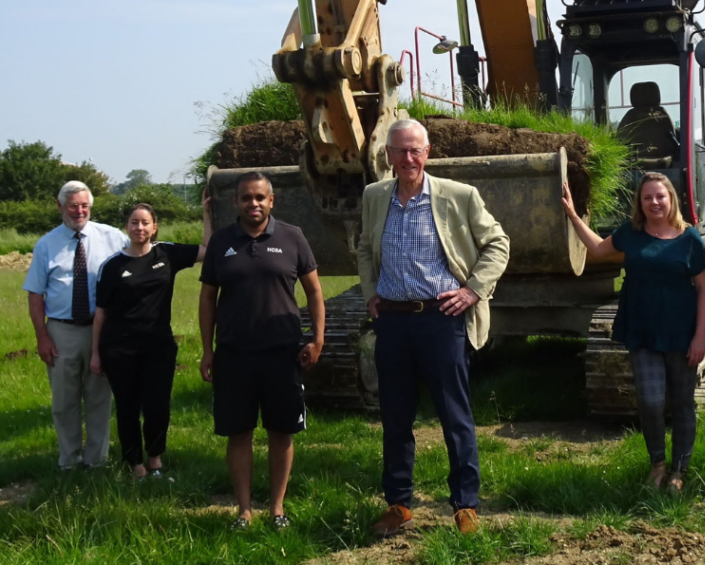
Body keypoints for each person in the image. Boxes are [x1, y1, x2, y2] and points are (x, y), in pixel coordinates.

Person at [357, 119, 510, 536]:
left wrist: (473, 290)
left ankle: (466, 506)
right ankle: (398, 504)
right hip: (392, 321)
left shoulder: (459, 196)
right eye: (399, 150)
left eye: (415, 150)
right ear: (386, 155)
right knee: (395, 416)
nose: (407, 158)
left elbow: (498, 243)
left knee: (454, 414)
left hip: (441, 320)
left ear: (428, 153)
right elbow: (364, 246)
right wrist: (371, 291)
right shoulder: (374, 197)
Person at [561, 172, 705, 492]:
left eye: (660, 196)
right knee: (651, 401)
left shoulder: (689, 238)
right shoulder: (632, 233)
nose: (655, 202)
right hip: (642, 331)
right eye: (647, 197)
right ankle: (657, 465)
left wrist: (700, 335)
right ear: (640, 203)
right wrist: (573, 215)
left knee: (683, 403)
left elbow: (703, 288)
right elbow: (600, 250)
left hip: (682, 334)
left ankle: (679, 472)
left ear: (671, 199)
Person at [198, 171, 325, 531]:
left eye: (259, 198)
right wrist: (208, 350)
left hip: (282, 353)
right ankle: (243, 509)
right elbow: (208, 298)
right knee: (238, 433)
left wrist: (317, 339)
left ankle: (277, 507)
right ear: (236, 203)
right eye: (245, 198)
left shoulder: (292, 237)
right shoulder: (222, 242)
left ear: (271, 201)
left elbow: (314, 292)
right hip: (234, 354)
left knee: (280, 432)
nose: (252, 204)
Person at [90, 194, 212, 479]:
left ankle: (155, 459)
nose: (139, 228)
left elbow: (207, 248)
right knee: (128, 408)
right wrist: (95, 354)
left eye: (145, 223)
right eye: (134, 223)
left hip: (158, 346)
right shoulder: (112, 266)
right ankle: (135, 465)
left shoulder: (166, 254)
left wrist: (206, 212)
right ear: (126, 227)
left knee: (157, 406)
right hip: (119, 348)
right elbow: (101, 315)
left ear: (155, 227)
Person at [23, 180, 129, 470]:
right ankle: (68, 461)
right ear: (60, 207)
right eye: (73, 205)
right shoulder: (46, 244)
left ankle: (97, 462)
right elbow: (35, 294)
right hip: (62, 332)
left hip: (101, 330)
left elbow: (141, 257)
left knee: (99, 398)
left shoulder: (112, 238)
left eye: (84, 205)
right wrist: (42, 336)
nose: (79, 211)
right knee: (64, 402)